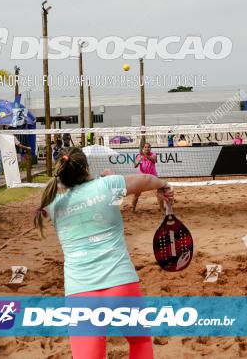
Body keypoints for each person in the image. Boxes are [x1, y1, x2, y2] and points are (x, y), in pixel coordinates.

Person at [35, 147, 173, 359]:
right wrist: (164, 185)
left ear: (61, 175)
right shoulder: (109, 185)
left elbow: (45, 209)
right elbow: (146, 179)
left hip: (80, 291)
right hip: (120, 283)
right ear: (87, 168)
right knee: (140, 341)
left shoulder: (52, 205)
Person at [131, 142, 163, 213]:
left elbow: (153, 160)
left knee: (160, 192)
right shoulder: (139, 156)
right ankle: (133, 209)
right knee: (136, 194)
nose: (147, 148)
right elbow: (135, 166)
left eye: (148, 147)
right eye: (145, 147)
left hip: (152, 176)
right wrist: (137, 162)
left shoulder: (153, 154)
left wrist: (145, 155)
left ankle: (162, 209)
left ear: (150, 148)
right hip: (142, 177)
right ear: (143, 148)